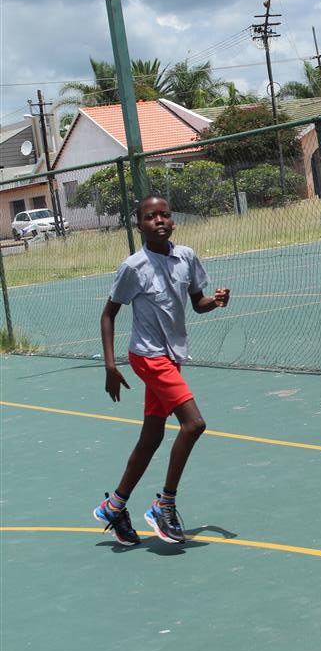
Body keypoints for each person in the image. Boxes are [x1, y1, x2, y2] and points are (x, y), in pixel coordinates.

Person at [93, 194, 230, 547]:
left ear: (173, 220)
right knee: (194, 424)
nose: (159, 221)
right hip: (148, 356)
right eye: (151, 216)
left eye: (165, 214)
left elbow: (197, 303)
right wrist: (110, 366)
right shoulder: (133, 267)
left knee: (152, 436)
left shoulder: (186, 257)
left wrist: (214, 301)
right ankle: (163, 504)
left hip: (171, 357)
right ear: (139, 226)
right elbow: (108, 315)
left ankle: (114, 506)